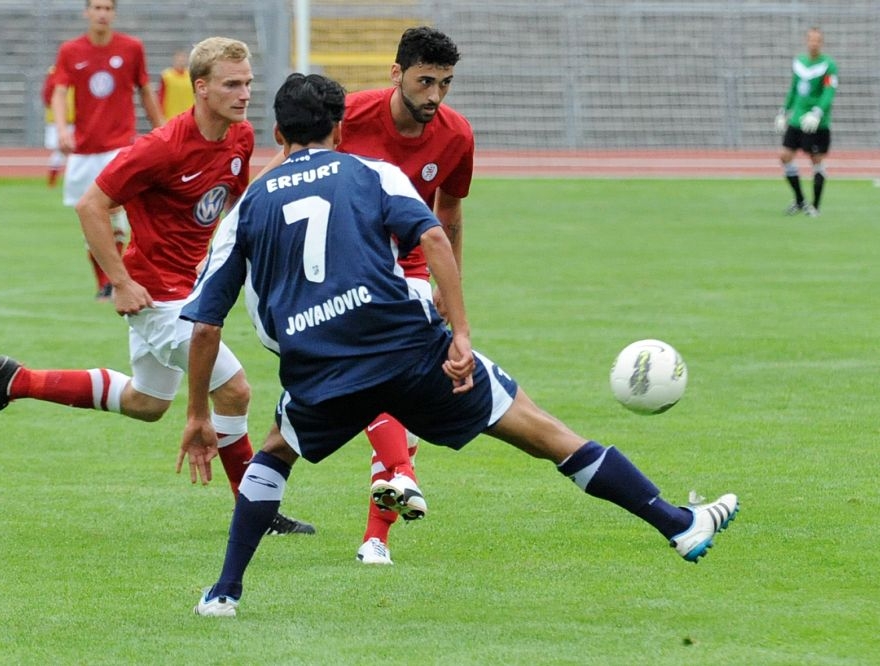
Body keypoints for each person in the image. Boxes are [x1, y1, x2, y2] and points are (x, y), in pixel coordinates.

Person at [179, 72, 741, 618]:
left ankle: (225, 592)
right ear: (341, 129)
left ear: (278, 134)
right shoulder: (373, 173)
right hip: (410, 350)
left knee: (276, 453)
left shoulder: (246, 209)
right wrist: (462, 335)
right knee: (543, 432)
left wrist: (199, 412)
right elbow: (431, 235)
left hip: (321, 369)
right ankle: (677, 524)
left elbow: (205, 325)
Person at [0, 37, 314, 538]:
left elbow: (236, 205)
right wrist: (120, 283)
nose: (244, 94)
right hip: (154, 295)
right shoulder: (161, 147)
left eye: (248, 83)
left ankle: (17, 381)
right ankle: (255, 513)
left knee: (147, 403)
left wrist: (291, 161)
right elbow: (91, 205)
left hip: (185, 287)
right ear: (201, 87)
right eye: (232, 84)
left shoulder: (239, 139)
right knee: (234, 391)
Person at [340, 26, 473, 566]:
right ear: (396, 75)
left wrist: (449, 286)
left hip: (411, 266)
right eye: (425, 81)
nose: (434, 96)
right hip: (345, 265)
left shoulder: (456, 135)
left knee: (390, 387)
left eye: (444, 83)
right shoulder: (346, 116)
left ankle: (381, 526)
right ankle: (396, 492)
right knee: (391, 384)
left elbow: (450, 216)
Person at [51, 0, 165, 300]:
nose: (102, 13)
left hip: (119, 146)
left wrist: (163, 130)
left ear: (114, 13)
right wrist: (62, 129)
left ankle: (113, 281)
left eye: (107, 8)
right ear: (86, 12)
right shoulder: (70, 51)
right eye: (97, 7)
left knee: (113, 211)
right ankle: (103, 280)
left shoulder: (131, 48)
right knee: (89, 216)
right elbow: (60, 92)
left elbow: (145, 91)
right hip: (84, 149)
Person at [775, 26, 838, 218]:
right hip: (797, 120)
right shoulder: (799, 62)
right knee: (785, 156)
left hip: (816, 123)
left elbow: (829, 92)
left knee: (816, 161)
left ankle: (815, 207)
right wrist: (784, 111)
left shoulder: (828, 65)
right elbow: (794, 89)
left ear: (822, 43)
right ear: (806, 41)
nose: (813, 43)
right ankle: (800, 200)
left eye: (817, 40)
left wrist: (818, 112)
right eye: (811, 39)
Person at [41, 64, 75, 187]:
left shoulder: (79, 68)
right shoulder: (55, 72)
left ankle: (57, 180)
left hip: (76, 118)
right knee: (62, 151)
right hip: (62, 119)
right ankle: (53, 180)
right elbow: (48, 96)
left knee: (69, 152)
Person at [158, 50, 194, 118]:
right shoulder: (166, 76)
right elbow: (161, 96)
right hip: (170, 117)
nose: (181, 62)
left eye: (183, 59)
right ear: (174, 60)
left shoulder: (191, 76)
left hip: (188, 116)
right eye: (179, 59)